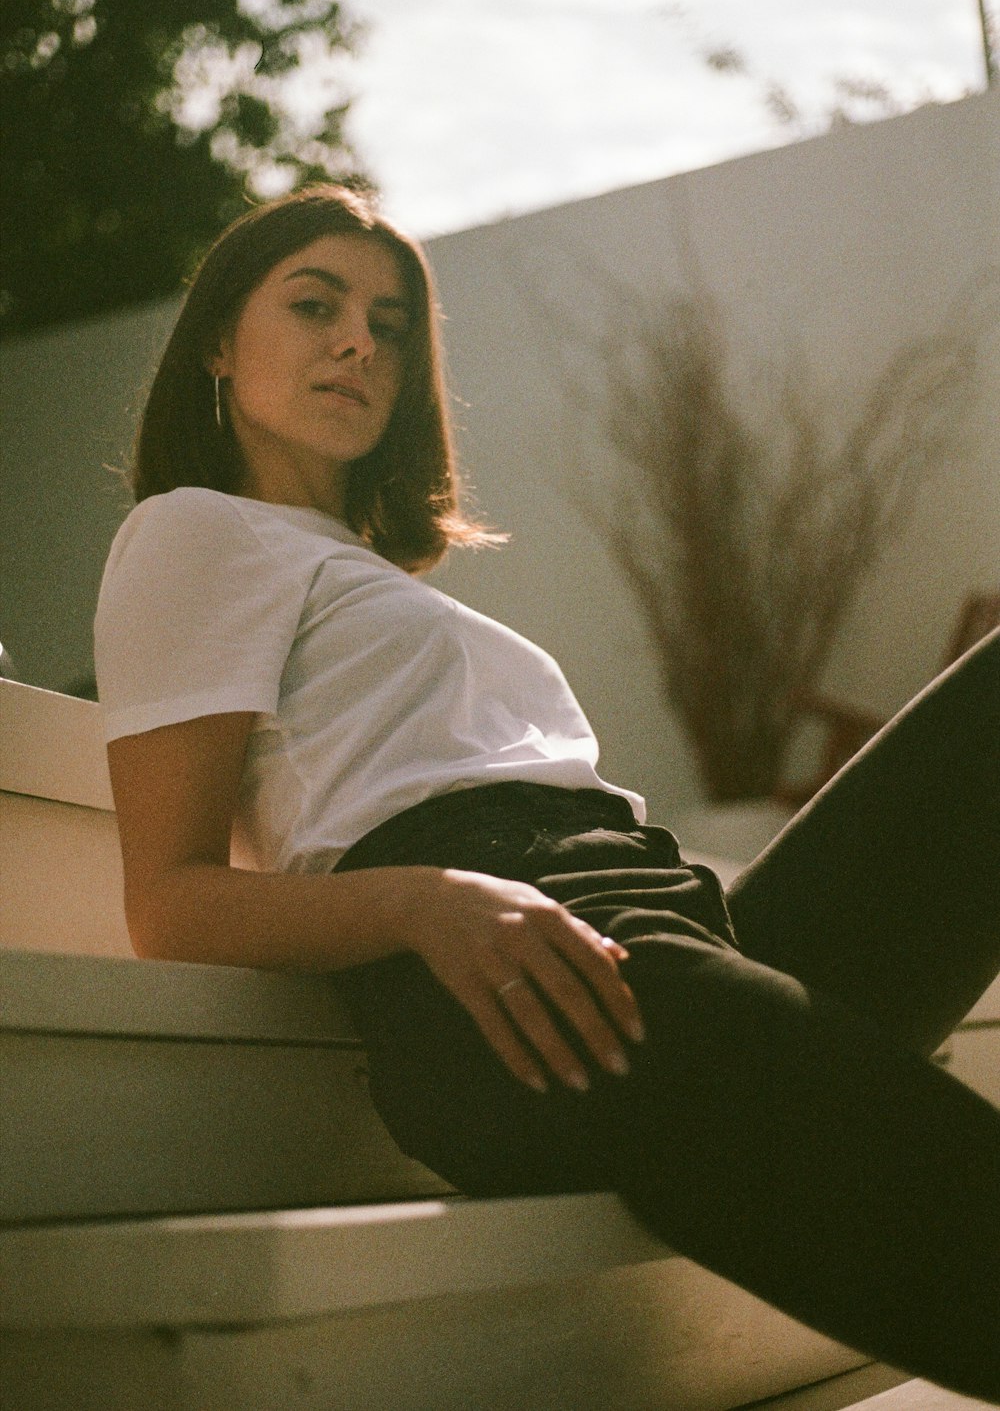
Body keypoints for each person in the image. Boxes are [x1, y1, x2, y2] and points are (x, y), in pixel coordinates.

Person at [94, 184, 1000, 1403]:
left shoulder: (365, 574)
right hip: (517, 987)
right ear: (217, 340)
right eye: (313, 304)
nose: (359, 339)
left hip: (660, 918)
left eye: (389, 322)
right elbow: (169, 900)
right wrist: (423, 903)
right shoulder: (193, 529)